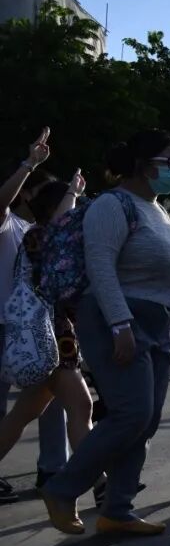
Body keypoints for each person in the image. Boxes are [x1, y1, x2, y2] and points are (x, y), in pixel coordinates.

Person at [42, 129, 170, 535]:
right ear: (142, 164)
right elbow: (100, 266)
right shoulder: (112, 205)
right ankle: (62, 489)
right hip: (116, 317)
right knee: (131, 413)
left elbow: (159, 266)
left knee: (146, 421)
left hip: (159, 319)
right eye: (169, 162)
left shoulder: (160, 212)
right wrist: (120, 325)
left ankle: (117, 510)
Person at [0, 174, 94, 488]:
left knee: (25, 414)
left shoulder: (46, 239)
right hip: (49, 336)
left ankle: (98, 483)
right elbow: (58, 232)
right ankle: (99, 483)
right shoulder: (39, 238)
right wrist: (73, 192)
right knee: (80, 407)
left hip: (55, 336)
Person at [0, 130, 71, 504]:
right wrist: (30, 164)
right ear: (26, 194)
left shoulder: (43, 233)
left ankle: (55, 470)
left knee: (56, 401)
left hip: (38, 328)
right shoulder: (9, 223)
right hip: (4, 325)